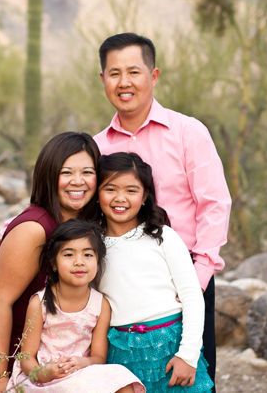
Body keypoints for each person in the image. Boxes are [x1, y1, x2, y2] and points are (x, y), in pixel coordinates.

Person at [95, 33, 232, 391]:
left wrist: (199, 274)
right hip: (122, 286)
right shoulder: (96, 147)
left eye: (134, 72)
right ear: (103, 79)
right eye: (114, 73)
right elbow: (66, 195)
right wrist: (9, 231)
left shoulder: (188, 132)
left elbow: (215, 204)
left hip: (186, 272)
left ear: (153, 76)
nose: (124, 82)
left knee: (193, 374)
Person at [0, 132, 101, 393]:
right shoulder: (34, 229)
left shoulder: (82, 224)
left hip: (68, 364)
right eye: (66, 173)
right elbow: (0, 301)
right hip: (25, 367)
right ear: (48, 174)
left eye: (87, 172)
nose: (78, 182)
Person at [97, 152, 213, 393]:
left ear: (145, 196)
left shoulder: (162, 237)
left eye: (131, 190)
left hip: (170, 345)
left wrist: (188, 355)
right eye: (110, 189)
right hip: (120, 350)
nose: (120, 198)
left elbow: (192, 295)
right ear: (97, 194)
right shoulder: (91, 245)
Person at [9, 219, 145, 393]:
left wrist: (84, 362)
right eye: (68, 254)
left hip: (80, 373)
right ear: (53, 263)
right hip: (44, 378)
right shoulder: (39, 302)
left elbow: (99, 356)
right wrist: (44, 373)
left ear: (98, 261)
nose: (79, 262)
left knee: (122, 380)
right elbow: (26, 357)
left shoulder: (100, 304)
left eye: (88, 255)